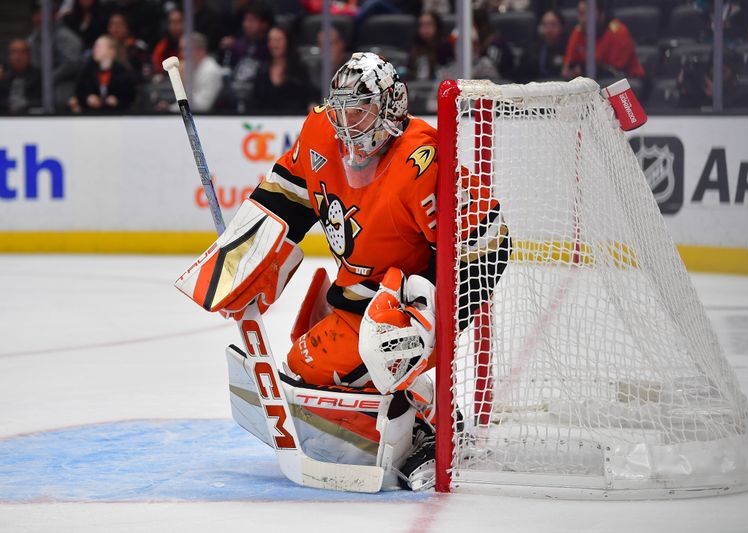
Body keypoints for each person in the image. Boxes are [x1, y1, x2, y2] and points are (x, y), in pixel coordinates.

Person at [180, 52, 508, 489]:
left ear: (391, 106)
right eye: (342, 111)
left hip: (407, 307)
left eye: (361, 111)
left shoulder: (422, 161)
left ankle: (434, 433)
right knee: (303, 370)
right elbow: (284, 199)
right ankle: (424, 413)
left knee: (352, 362)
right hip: (356, 303)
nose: (347, 124)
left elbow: (489, 244)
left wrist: (433, 317)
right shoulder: (319, 133)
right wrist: (239, 263)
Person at [561, 0, 644, 80]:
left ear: (601, 14)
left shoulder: (618, 32)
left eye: (589, 13)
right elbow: (568, 66)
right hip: (592, 82)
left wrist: (582, 69)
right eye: (581, 13)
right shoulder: (577, 32)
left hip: (625, 82)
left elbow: (615, 72)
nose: (583, 19)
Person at [28, 2, 83, 111]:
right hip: (41, 84)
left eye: (42, 13)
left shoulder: (66, 37)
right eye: (37, 14)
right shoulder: (33, 39)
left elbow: (72, 64)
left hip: (66, 83)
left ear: (53, 15)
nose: (39, 18)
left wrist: (49, 78)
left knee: (61, 98)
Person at [249, 26, 312, 114]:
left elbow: (309, 95)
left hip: (295, 120)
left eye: (278, 40)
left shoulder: (299, 69)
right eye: (271, 40)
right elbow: (255, 100)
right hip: (265, 121)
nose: (274, 44)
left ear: (287, 42)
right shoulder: (262, 70)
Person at [68, 34, 136, 113]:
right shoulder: (87, 70)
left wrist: (118, 100)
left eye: (99, 46)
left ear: (111, 50)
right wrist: (87, 98)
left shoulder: (122, 71)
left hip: (117, 117)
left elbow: (130, 95)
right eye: (95, 46)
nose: (95, 49)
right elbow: (79, 91)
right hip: (91, 115)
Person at [218, 2, 274, 84]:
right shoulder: (238, 43)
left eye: (251, 20)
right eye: (245, 20)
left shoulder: (270, 46)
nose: (246, 24)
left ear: (264, 24)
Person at [408, 10, 455, 81]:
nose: (425, 28)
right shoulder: (415, 48)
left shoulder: (445, 47)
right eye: (422, 25)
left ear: (437, 26)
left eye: (429, 24)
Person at [523, 8, 568, 81]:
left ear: (562, 26)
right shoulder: (534, 48)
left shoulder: (569, 47)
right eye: (545, 24)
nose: (549, 29)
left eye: (553, 24)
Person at [0, 39, 42, 114]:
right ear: (9, 56)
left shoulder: (39, 77)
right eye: (14, 52)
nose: (18, 56)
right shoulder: (4, 77)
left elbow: (43, 102)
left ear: (29, 55)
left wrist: (25, 104)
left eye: (22, 52)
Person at [106, 11, 150, 83]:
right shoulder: (104, 48)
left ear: (127, 27)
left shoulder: (138, 47)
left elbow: (145, 74)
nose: (115, 28)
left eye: (119, 24)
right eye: (112, 24)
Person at [151, 8, 183, 76]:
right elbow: (157, 69)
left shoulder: (195, 44)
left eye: (179, 21)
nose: (176, 26)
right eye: (173, 22)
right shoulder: (162, 47)